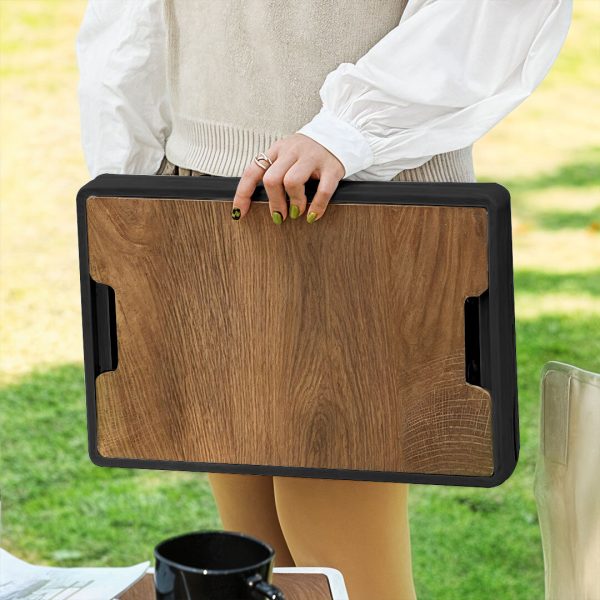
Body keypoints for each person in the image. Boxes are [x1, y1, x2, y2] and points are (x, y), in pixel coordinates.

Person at [75, 1, 571, 597]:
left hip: (350, 194)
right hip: (202, 193)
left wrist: (347, 131)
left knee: (342, 561)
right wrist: (128, 185)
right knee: (254, 552)